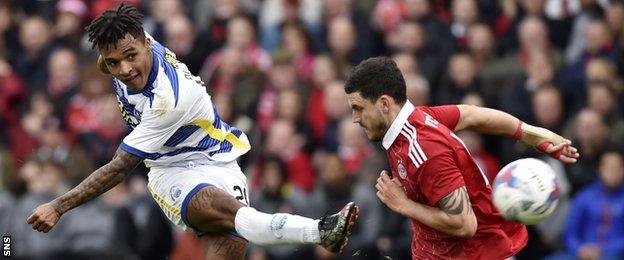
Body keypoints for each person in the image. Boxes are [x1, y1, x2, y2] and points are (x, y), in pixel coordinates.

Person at [26, 5, 358, 259]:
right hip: (171, 172)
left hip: (217, 159)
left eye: (130, 57)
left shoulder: (170, 99)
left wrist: (58, 206)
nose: (125, 69)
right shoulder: (122, 54)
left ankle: (321, 231)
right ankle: (321, 230)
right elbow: (113, 57)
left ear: (146, 43)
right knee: (237, 215)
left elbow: (118, 168)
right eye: (113, 63)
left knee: (234, 238)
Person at [344, 57, 579, 259]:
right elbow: (471, 115)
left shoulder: (425, 149)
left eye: (358, 108)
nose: (355, 118)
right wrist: (531, 134)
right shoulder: (418, 119)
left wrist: (404, 205)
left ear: (384, 103)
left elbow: (464, 224)